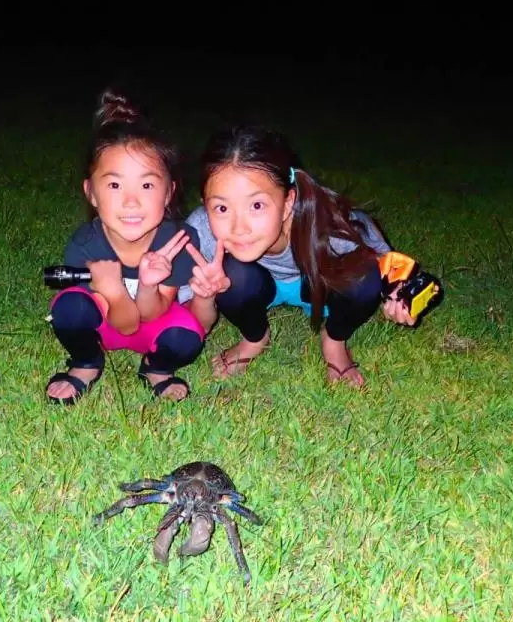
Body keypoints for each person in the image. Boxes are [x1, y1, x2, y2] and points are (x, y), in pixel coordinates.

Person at [183, 125, 425, 389]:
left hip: (317, 286)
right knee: (233, 273)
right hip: (252, 286)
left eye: (256, 205)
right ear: (204, 203)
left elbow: (385, 263)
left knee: (366, 274)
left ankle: (334, 341)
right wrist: (204, 295)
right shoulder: (200, 232)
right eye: (221, 208)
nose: (239, 227)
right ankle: (253, 339)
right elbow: (195, 324)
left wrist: (399, 296)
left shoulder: (322, 223)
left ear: (288, 202)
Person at [45, 89, 207, 405]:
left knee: (186, 337)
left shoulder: (179, 241)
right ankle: (86, 362)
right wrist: (114, 292)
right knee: (69, 308)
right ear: (91, 193)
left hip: (152, 323)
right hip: (107, 325)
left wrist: (147, 286)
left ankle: (156, 368)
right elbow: (125, 323)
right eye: (115, 185)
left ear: (169, 192)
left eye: (147, 185)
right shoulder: (86, 244)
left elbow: (149, 316)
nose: (131, 201)